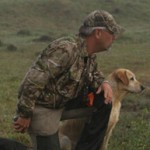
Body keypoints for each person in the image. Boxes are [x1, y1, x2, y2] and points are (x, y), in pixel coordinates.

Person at [13, 10, 124, 150]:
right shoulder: (66, 49)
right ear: (98, 33)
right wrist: (24, 114)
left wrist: (105, 83)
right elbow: (33, 81)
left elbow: (94, 73)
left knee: (104, 100)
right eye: (112, 32)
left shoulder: (88, 54)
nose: (114, 37)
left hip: (64, 103)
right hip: (43, 108)